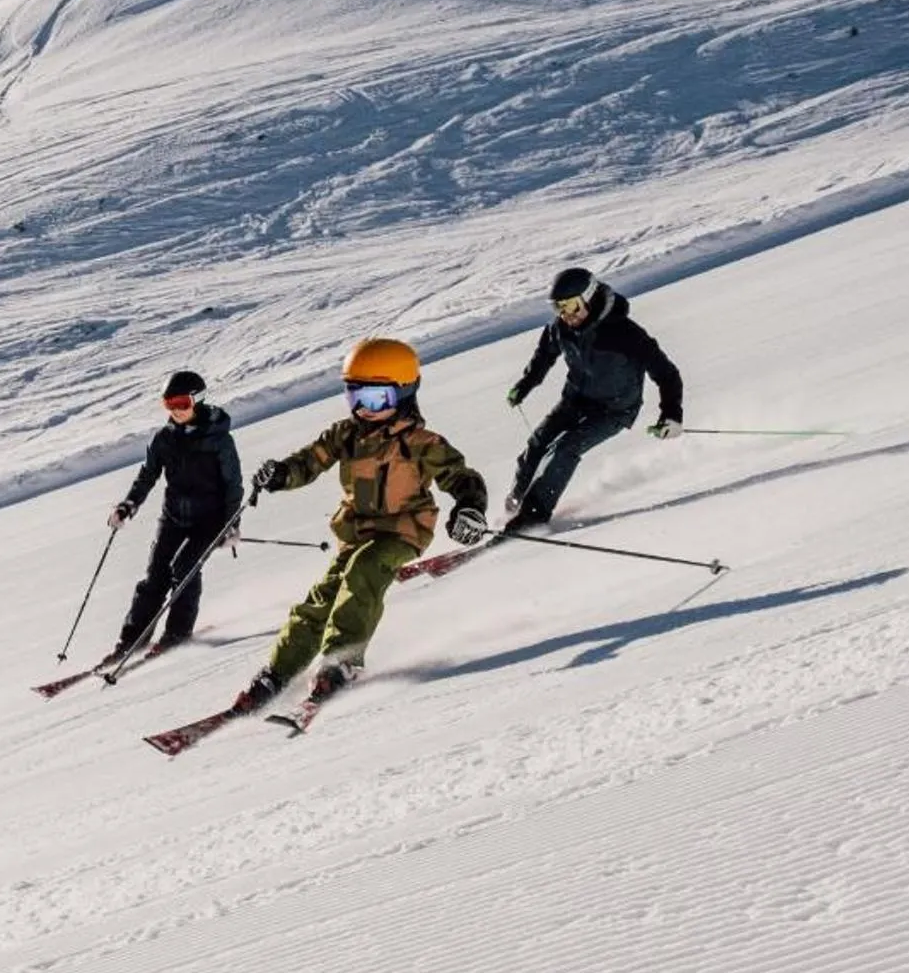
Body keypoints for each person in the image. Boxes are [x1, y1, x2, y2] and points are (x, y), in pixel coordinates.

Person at [238, 338, 488, 715]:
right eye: (356, 398)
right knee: (321, 599)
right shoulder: (346, 434)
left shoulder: (421, 443)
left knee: (363, 574)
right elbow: (310, 461)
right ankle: (277, 672)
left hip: (404, 529)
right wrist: (281, 474)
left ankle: (343, 660)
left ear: (403, 394)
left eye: (376, 400)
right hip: (357, 533)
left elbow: (461, 476)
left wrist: (470, 508)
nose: (365, 411)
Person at [504, 266, 684, 530]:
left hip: (615, 409)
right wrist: (525, 385)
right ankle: (514, 509)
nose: (567, 315)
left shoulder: (624, 333)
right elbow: (544, 355)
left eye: (572, 307)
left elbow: (667, 374)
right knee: (536, 445)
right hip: (576, 399)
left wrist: (671, 415)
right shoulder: (561, 329)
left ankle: (533, 516)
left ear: (589, 297)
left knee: (564, 449)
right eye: (559, 308)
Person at [105, 370, 245, 663]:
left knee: (184, 569)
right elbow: (148, 475)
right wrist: (128, 504)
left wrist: (232, 524)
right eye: (169, 404)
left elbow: (234, 485)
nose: (176, 411)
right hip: (173, 518)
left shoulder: (219, 440)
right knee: (155, 576)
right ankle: (131, 640)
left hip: (209, 521)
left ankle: (177, 633)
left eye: (181, 402)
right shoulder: (164, 439)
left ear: (197, 400)